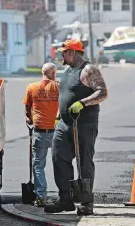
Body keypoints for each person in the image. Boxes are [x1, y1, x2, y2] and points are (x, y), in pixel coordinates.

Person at [44, 39, 108, 216]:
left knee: (84, 163)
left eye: (64, 52)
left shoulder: (88, 70)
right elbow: (64, 95)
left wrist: (83, 103)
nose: (61, 55)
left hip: (84, 125)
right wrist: (58, 115)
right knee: (58, 157)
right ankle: (66, 199)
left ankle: (87, 202)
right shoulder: (67, 71)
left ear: (72, 52)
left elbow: (102, 92)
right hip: (64, 124)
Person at [22, 63, 60, 207]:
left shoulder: (31, 87)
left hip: (39, 131)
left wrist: (29, 119)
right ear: (53, 73)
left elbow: (27, 110)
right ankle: (64, 195)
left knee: (38, 165)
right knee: (61, 164)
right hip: (56, 131)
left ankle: (41, 196)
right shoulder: (58, 87)